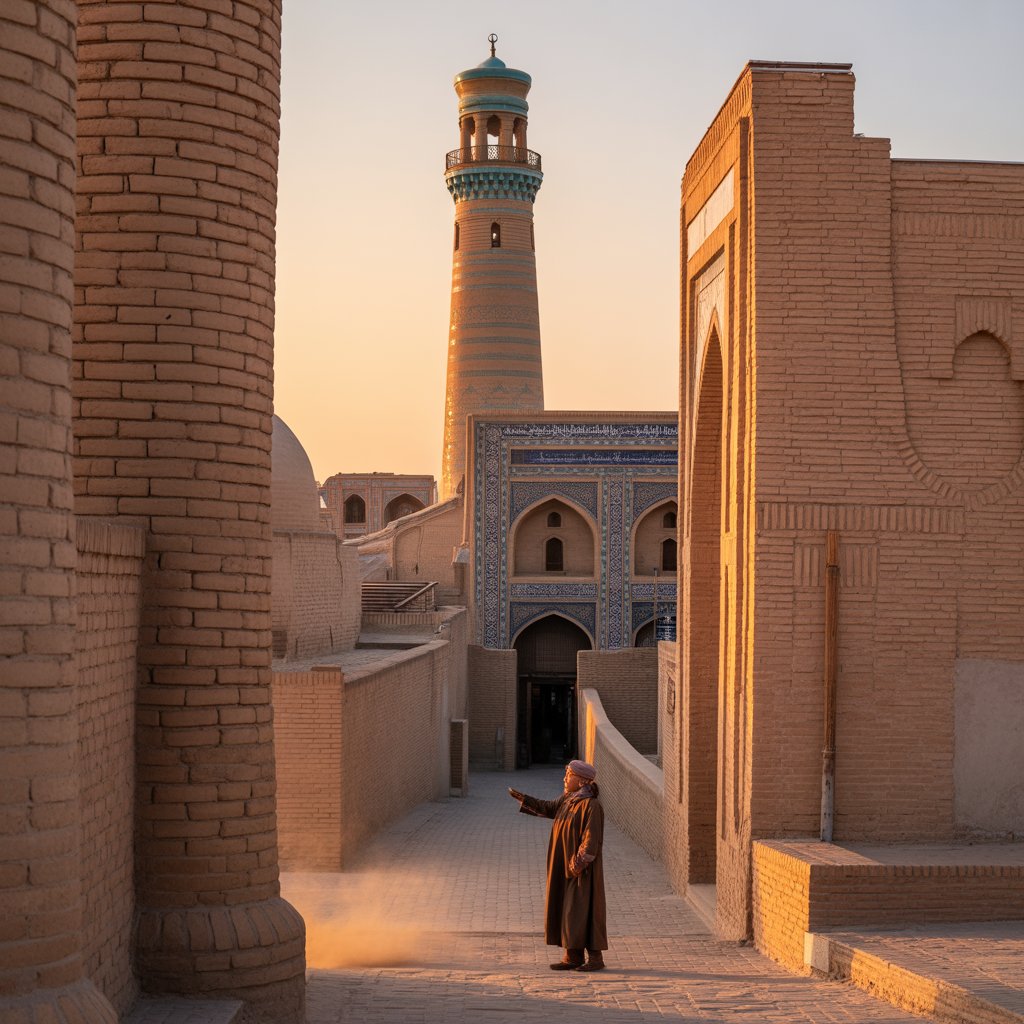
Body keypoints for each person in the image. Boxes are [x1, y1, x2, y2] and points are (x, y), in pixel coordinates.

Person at [508, 759, 608, 972]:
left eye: (568, 775)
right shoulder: (568, 800)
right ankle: (572, 957)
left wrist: (576, 864)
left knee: (582, 910)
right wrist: (525, 799)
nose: (564, 779)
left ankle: (595, 959)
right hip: (564, 867)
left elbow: (591, 843)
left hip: (581, 871)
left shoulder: (591, 806)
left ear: (581, 781)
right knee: (567, 910)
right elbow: (548, 808)